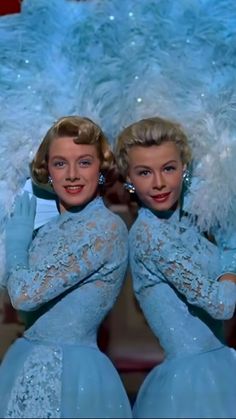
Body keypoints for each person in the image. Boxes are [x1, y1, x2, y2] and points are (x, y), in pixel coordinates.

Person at [0, 115, 132, 418]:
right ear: (48, 171)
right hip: (25, 364)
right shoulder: (47, 229)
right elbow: (22, 308)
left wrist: (17, 246)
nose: (72, 175)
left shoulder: (106, 228)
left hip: (76, 375)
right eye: (60, 164)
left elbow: (22, 296)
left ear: (101, 169)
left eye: (84, 162)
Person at [115, 116, 236, 418]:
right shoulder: (148, 236)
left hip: (220, 367)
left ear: (184, 169)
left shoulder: (189, 222)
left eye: (168, 168)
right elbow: (222, 305)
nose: (158, 183)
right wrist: (231, 246)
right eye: (144, 172)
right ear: (128, 179)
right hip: (192, 383)